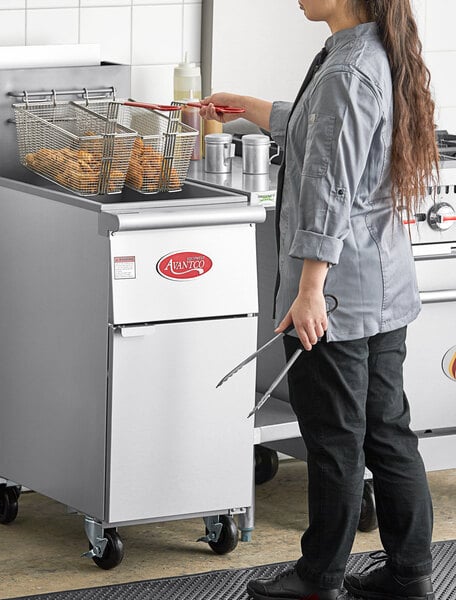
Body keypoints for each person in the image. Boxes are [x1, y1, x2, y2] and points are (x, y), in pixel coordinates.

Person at [200, 1, 438, 599]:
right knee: (387, 431)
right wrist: (258, 110)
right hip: (381, 287)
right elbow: (333, 133)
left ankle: (318, 579)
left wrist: (309, 291)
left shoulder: (346, 69)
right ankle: (410, 576)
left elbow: (329, 189)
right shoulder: (377, 51)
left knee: (334, 440)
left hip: (337, 293)